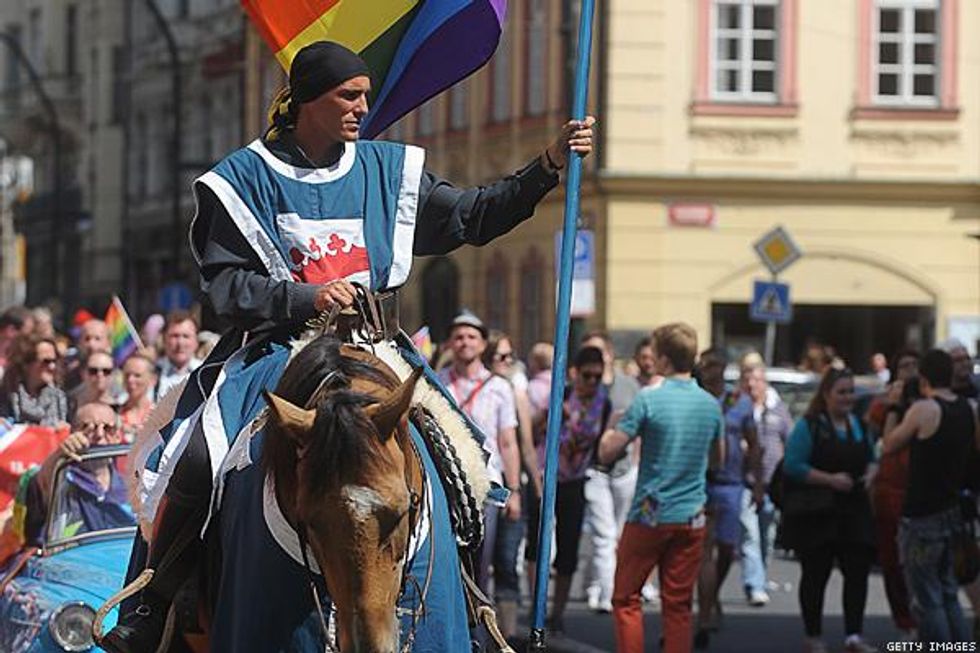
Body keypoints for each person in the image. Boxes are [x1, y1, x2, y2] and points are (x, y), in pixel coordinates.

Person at [104, 38, 593, 652]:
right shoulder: (242, 177)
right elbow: (225, 288)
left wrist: (544, 168)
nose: (364, 107)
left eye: (365, 95)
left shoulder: (388, 172)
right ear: (309, 99)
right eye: (350, 96)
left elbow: (470, 217)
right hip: (275, 350)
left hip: (375, 347)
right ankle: (155, 602)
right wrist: (305, 298)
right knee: (194, 455)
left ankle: (467, 594)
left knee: (463, 459)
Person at [599, 323, 724, 653]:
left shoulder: (649, 399)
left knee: (626, 597)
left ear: (664, 360)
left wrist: (609, 431)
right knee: (679, 603)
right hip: (691, 514)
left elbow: (610, 450)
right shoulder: (711, 405)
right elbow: (718, 460)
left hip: (649, 512)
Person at [883, 349, 979, 644]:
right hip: (952, 510)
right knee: (949, 591)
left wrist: (893, 407)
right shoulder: (969, 409)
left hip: (921, 514)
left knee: (928, 598)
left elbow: (889, 444)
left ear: (923, 378)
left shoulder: (924, 409)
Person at [782, 367, 878, 653]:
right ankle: (813, 635)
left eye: (851, 392)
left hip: (854, 511)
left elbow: (873, 456)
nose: (848, 398)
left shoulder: (859, 424)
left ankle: (854, 636)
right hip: (817, 513)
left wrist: (873, 472)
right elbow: (793, 466)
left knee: (857, 573)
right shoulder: (810, 425)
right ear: (826, 395)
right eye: (842, 392)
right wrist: (830, 480)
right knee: (815, 575)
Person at [526, 346, 612, 633]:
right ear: (575, 372)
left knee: (568, 548)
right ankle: (535, 607)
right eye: (587, 376)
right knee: (537, 544)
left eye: (597, 377)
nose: (591, 382)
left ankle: (558, 612)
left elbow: (600, 443)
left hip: (575, 481)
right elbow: (530, 430)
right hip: (545, 477)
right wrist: (551, 411)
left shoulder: (603, 402)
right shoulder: (561, 393)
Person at [437, 314, 522, 592]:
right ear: (450, 343)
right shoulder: (437, 383)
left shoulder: (499, 388)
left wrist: (514, 490)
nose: (465, 343)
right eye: (459, 337)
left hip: (486, 483)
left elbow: (507, 442)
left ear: (484, 344)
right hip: (444, 483)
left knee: (480, 562)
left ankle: (478, 626)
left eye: (472, 337)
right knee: (445, 558)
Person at [695, 355, 761, 647]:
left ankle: (712, 594)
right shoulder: (694, 398)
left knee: (727, 548)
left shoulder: (739, 400)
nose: (711, 371)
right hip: (701, 483)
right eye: (705, 366)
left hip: (732, 482)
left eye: (715, 365)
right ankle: (705, 612)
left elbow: (754, 442)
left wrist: (758, 483)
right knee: (704, 550)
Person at [580, 331, 644, 613]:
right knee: (604, 535)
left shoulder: (629, 387)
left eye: (600, 352)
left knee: (618, 534)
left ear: (609, 355)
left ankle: (592, 583)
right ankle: (607, 593)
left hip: (624, 470)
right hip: (594, 471)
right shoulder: (581, 385)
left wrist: (636, 463)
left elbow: (640, 427)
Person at [482, 329, 539, 638]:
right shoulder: (479, 388)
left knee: (506, 558)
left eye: (509, 356)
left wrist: (534, 489)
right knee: (481, 562)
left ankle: (507, 632)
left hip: (512, 483)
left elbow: (523, 444)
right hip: (483, 484)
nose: (505, 362)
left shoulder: (513, 392)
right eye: (499, 356)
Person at [23, 402, 132, 545]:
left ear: (118, 436)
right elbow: (42, 483)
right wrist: (60, 454)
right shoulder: (61, 477)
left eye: (107, 428)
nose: (99, 435)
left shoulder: (130, 484)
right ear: (72, 433)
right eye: (86, 428)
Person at [866, 348, 920, 638]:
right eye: (904, 366)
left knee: (918, 563)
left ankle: (922, 620)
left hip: (918, 494)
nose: (909, 371)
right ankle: (904, 622)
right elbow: (874, 436)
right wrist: (892, 404)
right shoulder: (887, 402)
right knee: (891, 563)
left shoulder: (928, 402)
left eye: (914, 365)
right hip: (889, 492)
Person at [739, 363, 792, 608]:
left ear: (765, 383)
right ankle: (755, 586)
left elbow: (789, 440)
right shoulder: (738, 410)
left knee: (766, 536)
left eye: (756, 381)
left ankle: (760, 574)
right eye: (748, 382)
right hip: (745, 482)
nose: (752, 386)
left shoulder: (778, 411)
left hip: (772, 484)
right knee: (749, 535)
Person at [0, 334, 68, 426]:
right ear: (26, 364)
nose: (52, 367)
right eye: (46, 361)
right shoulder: (6, 397)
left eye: (54, 361)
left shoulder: (60, 399)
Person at [154, 310, 202, 401]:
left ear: (196, 341)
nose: (180, 343)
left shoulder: (205, 373)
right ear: (164, 339)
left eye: (186, 336)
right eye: (175, 336)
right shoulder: (152, 372)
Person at [68, 351, 120, 418]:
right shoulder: (69, 405)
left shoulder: (120, 407)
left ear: (113, 375)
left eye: (106, 371)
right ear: (83, 373)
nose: (100, 375)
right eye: (93, 371)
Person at [119, 353, 158, 443]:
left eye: (137, 375)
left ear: (153, 380)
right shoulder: (114, 414)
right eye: (127, 375)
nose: (130, 380)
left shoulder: (161, 416)